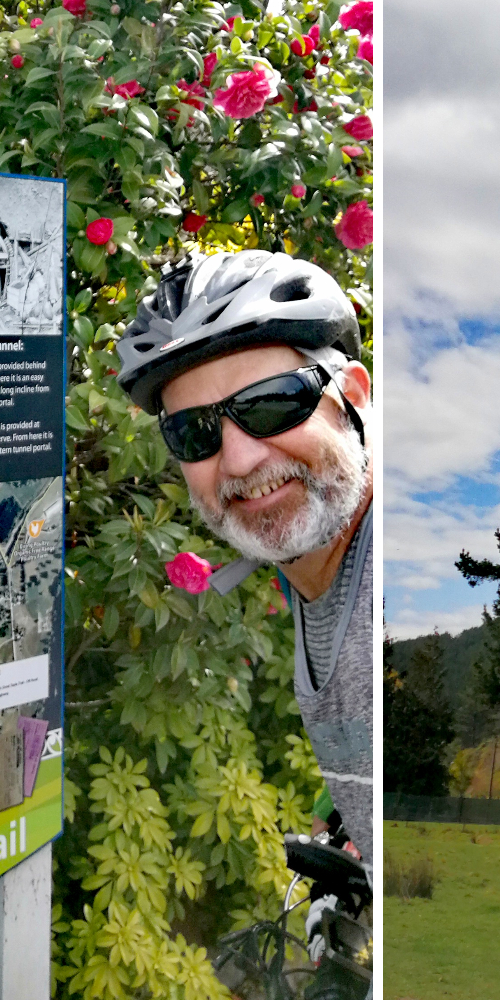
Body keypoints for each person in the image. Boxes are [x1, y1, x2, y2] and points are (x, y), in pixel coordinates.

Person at [118, 250, 373, 856]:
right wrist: (345, 822)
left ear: (353, 397)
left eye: (270, 403)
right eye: (195, 432)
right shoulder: (306, 561)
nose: (239, 459)